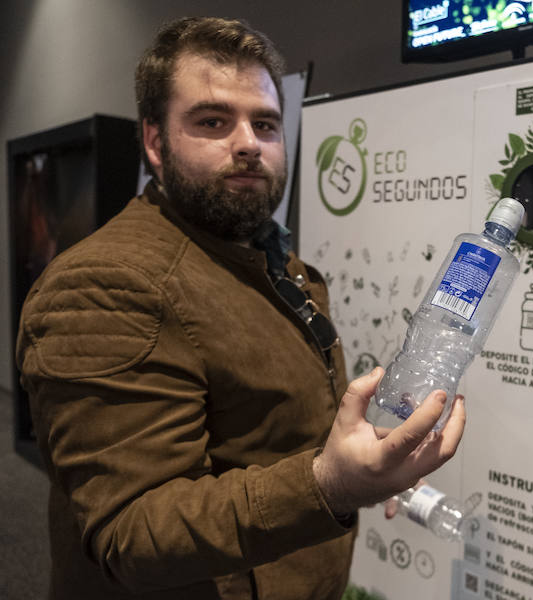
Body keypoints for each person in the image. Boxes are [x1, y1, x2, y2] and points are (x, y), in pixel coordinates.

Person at [16, 16, 465, 600]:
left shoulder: (272, 258)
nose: (249, 143)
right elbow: (132, 532)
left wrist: (363, 470)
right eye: (212, 121)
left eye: (266, 124)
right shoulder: (104, 285)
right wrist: (329, 485)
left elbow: (276, 434)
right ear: (155, 141)